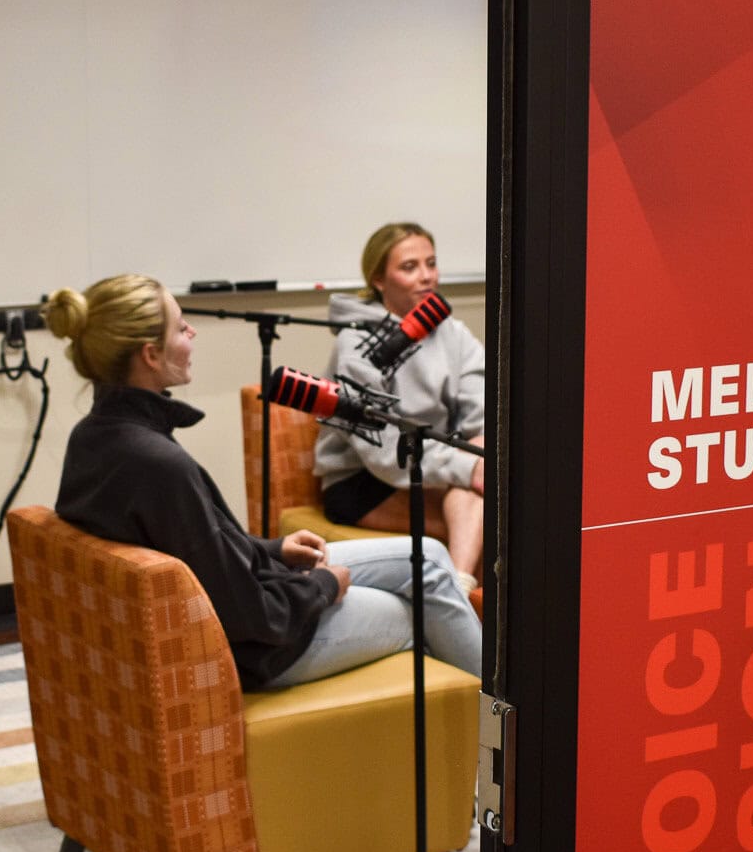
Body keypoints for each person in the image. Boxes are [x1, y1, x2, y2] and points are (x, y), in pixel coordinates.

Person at [46, 274, 481, 690]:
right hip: (262, 650)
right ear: (150, 355)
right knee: (424, 608)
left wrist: (273, 550)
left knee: (429, 557)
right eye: (180, 328)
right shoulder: (158, 464)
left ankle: (492, 709)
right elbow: (249, 613)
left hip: (252, 609)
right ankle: (501, 716)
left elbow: (201, 550)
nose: (192, 333)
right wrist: (324, 585)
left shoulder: (94, 437)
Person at [314, 222, 486, 586]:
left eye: (431, 263)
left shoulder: (453, 333)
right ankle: (459, 596)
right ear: (378, 279)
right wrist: (467, 466)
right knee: (490, 527)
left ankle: (458, 590)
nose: (426, 276)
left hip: (434, 466)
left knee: (491, 508)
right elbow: (384, 455)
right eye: (410, 267)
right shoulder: (355, 345)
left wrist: (479, 450)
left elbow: (483, 411)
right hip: (367, 480)